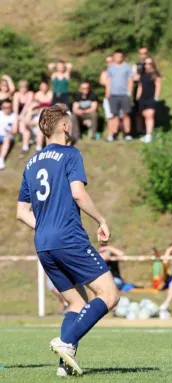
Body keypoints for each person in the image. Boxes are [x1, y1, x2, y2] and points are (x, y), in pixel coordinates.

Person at [16, 103, 119, 376]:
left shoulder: (30, 162)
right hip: (69, 238)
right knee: (109, 294)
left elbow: (21, 212)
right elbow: (78, 194)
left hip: (44, 243)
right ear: (63, 126)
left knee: (76, 303)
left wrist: (46, 226)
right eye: (69, 122)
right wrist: (102, 220)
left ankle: (64, 366)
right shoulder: (70, 154)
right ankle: (66, 341)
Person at [105, 49, 134, 141]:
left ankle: (127, 134)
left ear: (123, 57)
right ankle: (113, 134)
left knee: (126, 114)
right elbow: (108, 81)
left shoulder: (127, 67)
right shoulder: (111, 68)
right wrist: (107, 93)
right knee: (114, 115)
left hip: (124, 94)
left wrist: (129, 92)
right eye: (116, 56)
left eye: (120, 56)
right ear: (114, 57)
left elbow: (130, 81)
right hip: (113, 95)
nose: (118, 58)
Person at [136, 57, 162, 143]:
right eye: (146, 63)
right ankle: (147, 133)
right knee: (145, 115)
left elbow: (158, 86)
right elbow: (140, 86)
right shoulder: (142, 75)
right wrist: (138, 97)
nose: (147, 65)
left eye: (150, 63)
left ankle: (149, 135)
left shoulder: (155, 75)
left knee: (150, 115)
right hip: (143, 98)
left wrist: (156, 97)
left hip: (151, 98)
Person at [13, 80, 34, 157]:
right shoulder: (16, 94)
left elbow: (27, 106)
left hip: (27, 114)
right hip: (18, 115)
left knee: (23, 125)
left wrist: (20, 116)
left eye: (25, 87)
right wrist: (17, 117)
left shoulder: (30, 94)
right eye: (21, 87)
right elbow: (15, 107)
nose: (23, 89)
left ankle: (25, 146)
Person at [0, 99, 16, 170]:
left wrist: (8, 131)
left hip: (8, 136)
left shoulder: (14, 116)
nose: (6, 109)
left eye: (8, 107)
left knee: (7, 138)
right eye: (4, 107)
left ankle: (1, 159)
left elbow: (15, 131)